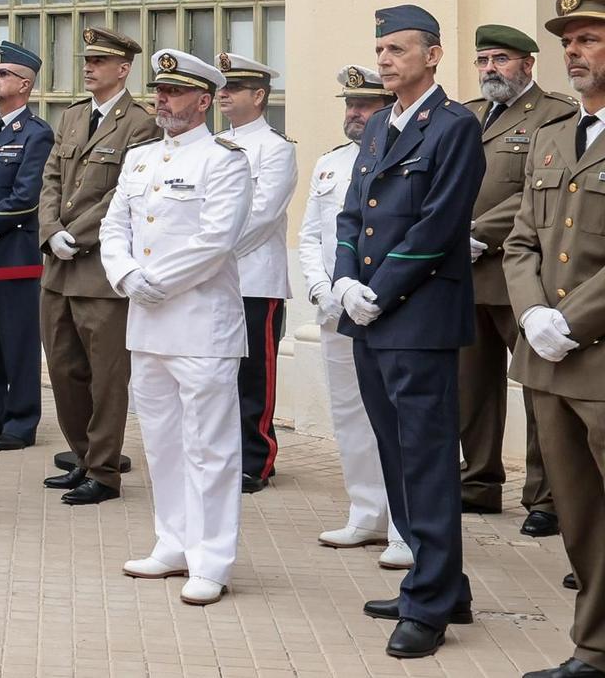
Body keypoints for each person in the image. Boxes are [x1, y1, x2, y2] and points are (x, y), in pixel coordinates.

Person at [332, 4, 483, 659]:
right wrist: (345, 281)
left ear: (433, 55)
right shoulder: (378, 126)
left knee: (425, 459)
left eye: (397, 49)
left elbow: (440, 223)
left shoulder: (454, 126)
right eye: (381, 49)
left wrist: (380, 290)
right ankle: (440, 580)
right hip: (369, 313)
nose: (385, 59)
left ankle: (429, 604)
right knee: (395, 455)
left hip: (418, 317)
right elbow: (351, 213)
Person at [100, 50, 251, 606]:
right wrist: (125, 275)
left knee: (209, 446)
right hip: (147, 323)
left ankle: (211, 559)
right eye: (160, 91)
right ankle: (173, 542)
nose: (162, 100)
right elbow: (114, 225)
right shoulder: (140, 158)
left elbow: (216, 240)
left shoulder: (224, 160)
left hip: (201, 325)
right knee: (162, 441)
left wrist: (156, 280)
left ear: (204, 100)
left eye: (175, 92)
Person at [506, 0, 605, 678]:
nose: (574, 52)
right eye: (568, 42)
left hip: (597, 356)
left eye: (589, 39)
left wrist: (569, 319)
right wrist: (533, 314)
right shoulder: (551, 137)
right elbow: (521, 242)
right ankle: (595, 648)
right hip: (548, 361)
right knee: (580, 517)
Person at [39, 27, 160, 505]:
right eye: (86, 60)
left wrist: (78, 234)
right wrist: (50, 230)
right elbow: (51, 177)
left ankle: (105, 472)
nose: (88, 67)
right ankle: (82, 457)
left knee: (107, 378)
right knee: (63, 370)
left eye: (99, 61)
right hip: (58, 268)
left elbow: (123, 195)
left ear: (123, 69)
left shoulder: (141, 123)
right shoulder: (72, 116)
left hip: (100, 270)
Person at [463, 23, 573, 536]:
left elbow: (538, 191)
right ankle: (478, 483)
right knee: (472, 388)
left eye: (501, 59)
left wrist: (478, 232)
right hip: (464, 273)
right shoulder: (468, 115)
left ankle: (545, 498)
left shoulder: (555, 114)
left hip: (522, 274)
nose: (491, 69)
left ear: (528, 64)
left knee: (536, 390)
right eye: (484, 60)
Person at [298, 65, 409, 570]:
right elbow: (310, 236)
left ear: (386, 107)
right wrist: (322, 289)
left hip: (387, 309)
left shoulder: (405, 156)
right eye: (349, 104)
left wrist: (374, 294)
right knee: (348, 415)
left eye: (364, 105)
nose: (354, 113)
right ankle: (366, 512)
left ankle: (405, 526)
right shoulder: (330, 163)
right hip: (334, 308)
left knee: (395, 419)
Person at [0, 41, 55, 452]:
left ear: (25, 84)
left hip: (12, 253)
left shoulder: (36, 134)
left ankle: (21, 420)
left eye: (3, 73)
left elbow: (26, 198)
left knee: (17, 341)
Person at [216, 52, 299, 493]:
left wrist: (212, 253)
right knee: (217, 373)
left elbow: (263, 214)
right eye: (222, 87)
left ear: (259, 95)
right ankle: (223, 454)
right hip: (212, 278)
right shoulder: (213, 144)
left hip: (254, 278)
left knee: (254, 375)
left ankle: (256, 459)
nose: (223, 94)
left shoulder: (276, 148)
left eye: (234, 88)